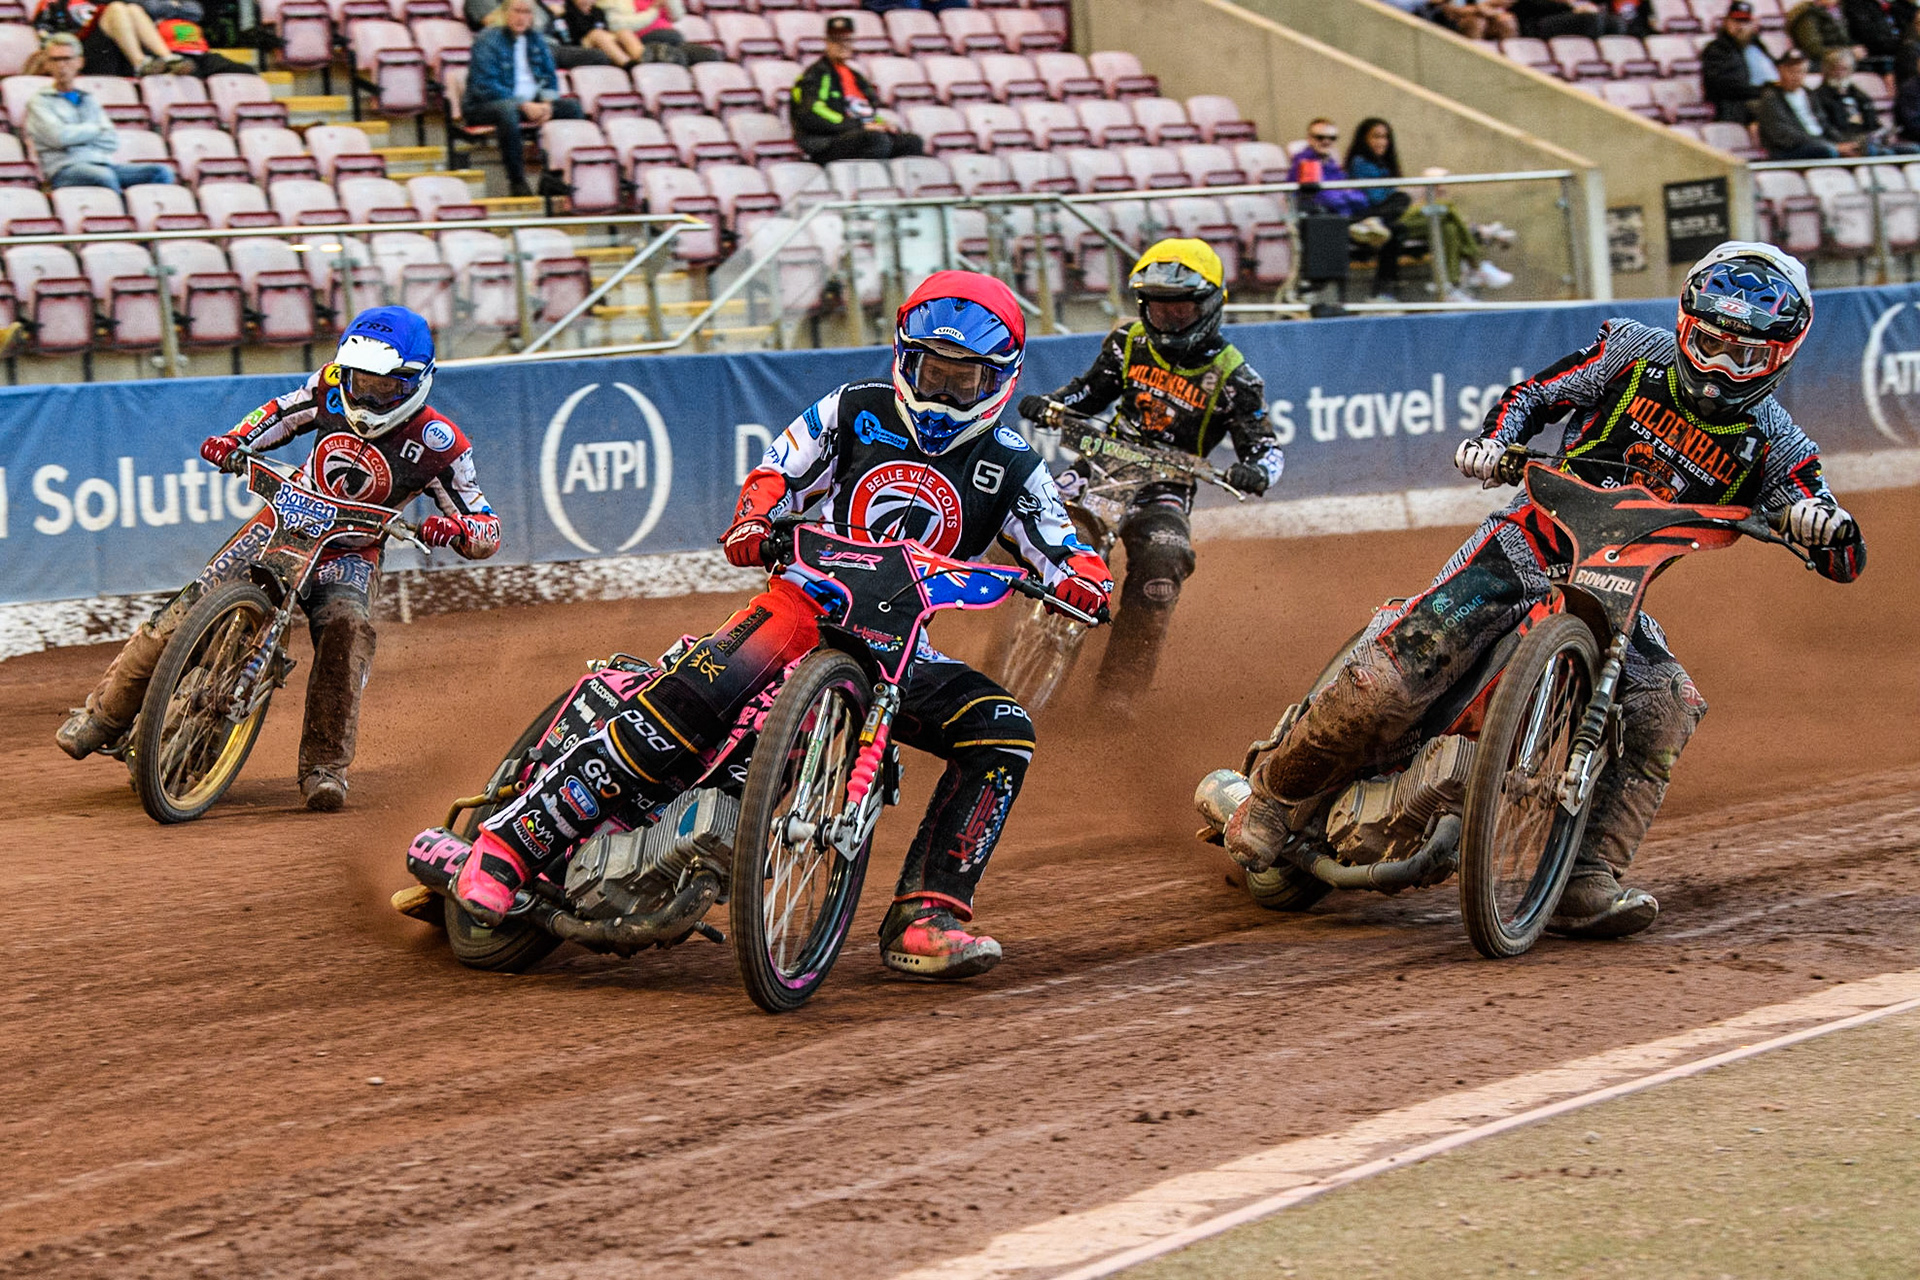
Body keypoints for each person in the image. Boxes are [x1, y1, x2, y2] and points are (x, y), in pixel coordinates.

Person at [445, 271, 1113, 979]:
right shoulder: (856, 408)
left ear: (1000, 381)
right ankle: (510, 844)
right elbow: (781, 468)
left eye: (964, 379)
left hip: (903, 648)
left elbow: (1062, 543)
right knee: (687, 699)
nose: (944, 392)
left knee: (1002, 729)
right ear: (904, 357)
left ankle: (927, 914)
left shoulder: (1012, 464)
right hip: (804, 602)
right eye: (931, 371)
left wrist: (1085, 579)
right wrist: (755, 517)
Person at [1224, 242, 1865, 940]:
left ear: (1779, 357)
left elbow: (1842, 554)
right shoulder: (1631, 353)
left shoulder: (1779, 446)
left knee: (1666, 707)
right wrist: (1495, 442)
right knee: (1395, 673)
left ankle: (1586, 875)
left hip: (1619, 589)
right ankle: (1273, 799)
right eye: (1710, 344)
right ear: (1686, 326)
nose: (1719, 369)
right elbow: (1534, 395)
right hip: (1528, 542)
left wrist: (1824, 526)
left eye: (1744, 356)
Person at [56, 308, 503, 812]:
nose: (366, 395)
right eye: (360, 380)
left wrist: (458, 530)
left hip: (351, 550)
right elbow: (279, 412)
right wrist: (235, 441)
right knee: (188, 606)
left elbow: (486, 526)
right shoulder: (329, 385)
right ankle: (104, 716)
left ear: (415, 382)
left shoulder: (441, 444)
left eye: (383, 386)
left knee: (346, 631)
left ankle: (324, 767)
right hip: (282, 521)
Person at [1018, 240, 1280, 711]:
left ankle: (1120, 691)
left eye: (1180, 310)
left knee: (1165, 561)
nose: (1169, 321)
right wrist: (1052, 404)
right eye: (1159, 310)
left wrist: (1256, 470)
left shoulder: (1236, 378)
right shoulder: (1128, 343)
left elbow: (1265, 447)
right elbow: (1087, 394)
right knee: (1031, 514)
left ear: (1210, 306)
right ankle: (996, 613)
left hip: (1166, 487)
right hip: (1100, 465)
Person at [464, 0, 588, 197]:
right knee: (508, 111)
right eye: (517, 11)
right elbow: (485, 86)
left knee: (572, 108)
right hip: (485, 106)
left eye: (526, 12)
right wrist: (522, 104)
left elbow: (549, 76)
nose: (522, 17)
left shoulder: (536, 39)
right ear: (505, 13)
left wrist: (547, 104)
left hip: (529, 103)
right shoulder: (487, 40)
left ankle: (555, 176)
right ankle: (517, 181)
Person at [26, 34, 176, 191]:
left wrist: (77, 135)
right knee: (103, 176)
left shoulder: (88, 99)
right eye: (55, 60)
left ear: (79, 62)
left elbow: (111, 140)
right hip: (64, 169)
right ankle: (121, 212)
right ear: (47, 64)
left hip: (102, 163)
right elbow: (59, 137)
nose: (62, 65)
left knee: (160, 172)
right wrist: (95, 130)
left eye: (67, 59)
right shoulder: (40, 102)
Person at [791, 13, 926, 163]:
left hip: (856, 136)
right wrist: (859, 126)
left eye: (847, 40)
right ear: (827, 43)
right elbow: (812, 113)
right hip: (825, 142)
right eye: (836, 40)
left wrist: (880, 123)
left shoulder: (855, 77)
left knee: (911, 141)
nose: (843, 45)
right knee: (875, 140)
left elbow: (863, 112)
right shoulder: (815, 75)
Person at [1287, 118, 1395, 275]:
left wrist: (1345, 195)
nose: (1326, 142)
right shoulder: (1305, 162)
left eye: (1331, 138)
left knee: (1398, 213)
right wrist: (1346, 195)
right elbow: (1324, 197)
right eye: (1320, 137)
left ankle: (1370, 224)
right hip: (1325, 219)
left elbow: (1360, 197)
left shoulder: (1331, 164)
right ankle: (1367, 225)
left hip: (1342, 216)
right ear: (1309, 138)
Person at [1406, 167, 1514, 299]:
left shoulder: (1441, 197)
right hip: (1415, 232)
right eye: (1438, 184)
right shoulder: (1415, 198)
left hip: (1441, 231)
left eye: (1443, 183)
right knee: (1449, 211)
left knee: (1451, 229)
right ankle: (1478, 262)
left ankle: (1451, 284)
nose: (1442, 187)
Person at [33, 0, 186, 75]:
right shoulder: (54, 2)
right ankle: (140, 63)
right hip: (82, 57)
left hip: (119, 55)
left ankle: (168, 58)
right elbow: (45, 36)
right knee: (116, 9)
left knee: (133, 9)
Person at [1815, 47, 1920, 149]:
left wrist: (1881, 133)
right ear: (1826, 70)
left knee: (1910, 149)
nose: (1840, 73)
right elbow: (1826, 128)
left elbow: (1873, 122)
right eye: (1836, 69)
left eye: (1844, 69)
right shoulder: (1820, 96)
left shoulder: (1858, 94)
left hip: (1868, 140)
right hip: (1844, 142)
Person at [1757, 48, 1853, 157]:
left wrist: (1841, 141)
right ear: (1780, 71)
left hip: (1820, 143)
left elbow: (1824, 123)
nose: (1796, 76)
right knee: (1827, 151)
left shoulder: (1809, 94)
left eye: (1801, 72)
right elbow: (1784, 135)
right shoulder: (1771, 98)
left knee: (1862, 148)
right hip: (1790, 149)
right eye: (1792, 71)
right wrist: (1831, 146)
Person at [1701, 1, 1778, 124]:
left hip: (1766, 97)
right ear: (1726, 22)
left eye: (1745, 22)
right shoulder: (1717, 50)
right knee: (1777, 110)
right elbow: (1722, 86)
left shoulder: (1757, 46)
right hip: (1737, 106)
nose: (1740, 26)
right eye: (1736, 21)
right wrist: (1762, 91)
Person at [597, 0, 721, 65]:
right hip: (640, 40)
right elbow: (617, 25)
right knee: (676, 56)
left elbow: (677, 16)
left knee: (710, 54)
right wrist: (653, 11)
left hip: (673, 39)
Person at [1787, 0, 1853, 67]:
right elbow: (1814, 50)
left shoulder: (1837, 10)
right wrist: (1848, 53)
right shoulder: (1807, 14)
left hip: (1839, 59)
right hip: (1819, 63)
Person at [1430, 0, 1520, 39]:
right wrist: (1481, 9)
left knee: (1507, 21)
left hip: (1489, 16)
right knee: (1476, 22)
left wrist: (1487, 7)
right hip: (1454, 22)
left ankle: (1512, 67)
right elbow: (1451, 11)